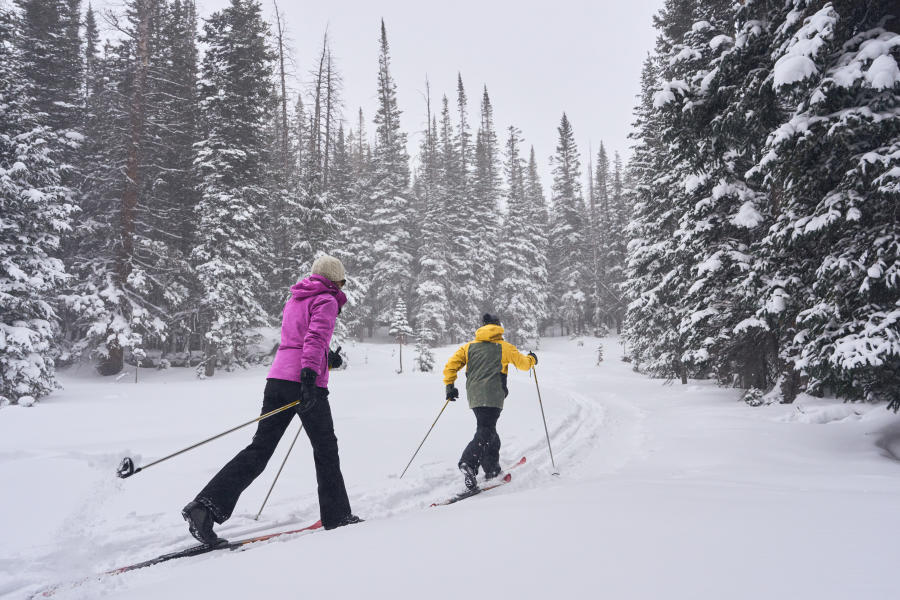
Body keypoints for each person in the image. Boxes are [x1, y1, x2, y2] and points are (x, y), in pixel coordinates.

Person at [182, 255, 362, 544]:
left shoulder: (297, 298)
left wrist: (328, 359)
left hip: (277, 379)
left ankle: (205, 507)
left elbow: (298, 339)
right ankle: (338, 516)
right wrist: (308, 376)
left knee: (260, 449)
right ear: (334, 280)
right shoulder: (327, 300)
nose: (342, 286)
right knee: (326, 449)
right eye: (342, 281)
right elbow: (314, 338)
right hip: (305, 384)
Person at [442, 313, 538, 490]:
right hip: (493, 396)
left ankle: (492, 469)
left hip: (474, 397)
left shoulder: (468, 347)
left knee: (489, 431)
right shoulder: (504, 347)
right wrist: (532, 359)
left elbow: (450, 366)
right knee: (486, 431)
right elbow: (524, 365)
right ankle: (469, 463)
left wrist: (450, 387)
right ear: (498, 327)